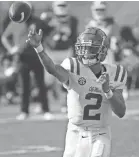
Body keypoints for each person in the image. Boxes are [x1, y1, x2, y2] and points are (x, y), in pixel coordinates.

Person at [27, 27, 127, 157]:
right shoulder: (73, 67)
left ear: (102, 51)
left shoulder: (115, 73)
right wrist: (39, 48)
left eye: (90, 48)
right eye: (83, 48)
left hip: (100, 134)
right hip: (75, 132)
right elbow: (52, 69)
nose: (85, 52)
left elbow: (120, 112)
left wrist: (107, 91)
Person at [1, 11, 51, 120]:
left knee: (40, 84)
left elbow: (48, 33)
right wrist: (11, 49)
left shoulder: (38, 21)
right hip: (22, 58)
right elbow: (4, 37)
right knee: (24, 85)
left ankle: (45, 110)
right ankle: (24, 111)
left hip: (37, 56)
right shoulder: (15, 22)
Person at [41, 1, 78, 113]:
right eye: (59, 5)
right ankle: (45, 104)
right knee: (48, 81)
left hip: (66, 51)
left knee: (66, 79)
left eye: (63, 5)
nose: (61, 8)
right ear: (54, 7)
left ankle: (65, 104)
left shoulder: (73, 20)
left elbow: (74, 37)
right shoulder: (47, 18)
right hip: (51, 52)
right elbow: (42, 34)